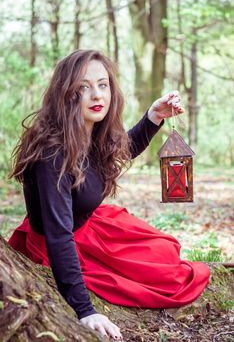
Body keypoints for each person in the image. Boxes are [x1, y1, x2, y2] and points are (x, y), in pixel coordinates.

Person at [8, 49, 210, 341]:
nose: (96, 95)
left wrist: (153, 117)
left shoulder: (90, 131)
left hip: (91, 224)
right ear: (65, 93)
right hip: (63, 240)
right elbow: (58, 234)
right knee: (169, 277)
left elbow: (120, 151)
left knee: (164, 249)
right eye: (83, 87)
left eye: (103, 85)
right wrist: (84, 310)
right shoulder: (53, 152)